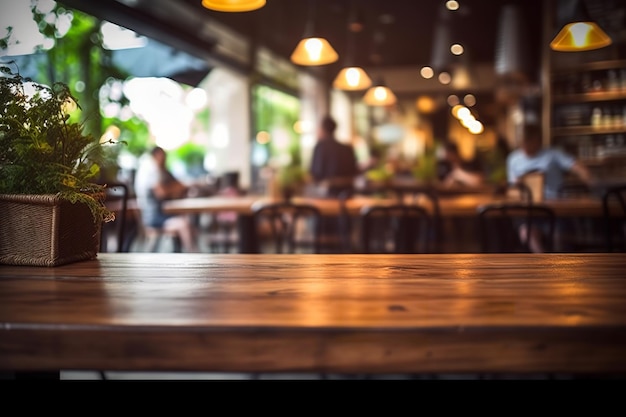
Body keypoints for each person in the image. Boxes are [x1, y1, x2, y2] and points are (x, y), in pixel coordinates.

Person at [506, 123, 594, 252]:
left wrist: (590, 181)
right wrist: (519, 185)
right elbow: (511, 189)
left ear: (537, 140)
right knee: (527, 232)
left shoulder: (553, 154)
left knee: (560, 234)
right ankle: (543, 263)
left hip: (556, 208)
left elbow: (578, 167)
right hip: (529, 209)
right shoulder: (513, 159)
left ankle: (559, 262)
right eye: (522, 143)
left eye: (528, 141)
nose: (525, 146)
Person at [134, 146, 200, 253]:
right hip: (152, 218)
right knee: (184, 224)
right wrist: (180, 187)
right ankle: (194, 255)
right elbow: (161, 193)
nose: (165, 160)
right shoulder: (151, 168)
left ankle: (188, 254)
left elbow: (172, 184)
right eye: (163, 157)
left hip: (154, 214)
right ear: (157, 156)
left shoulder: (149, 167)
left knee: (187, 224)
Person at [310, 115, 360, 198]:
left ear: (323, 129)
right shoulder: (347, 148)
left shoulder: (320, 147)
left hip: (327, 194)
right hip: (348, 193)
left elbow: (315, 172)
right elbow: (355, 170)